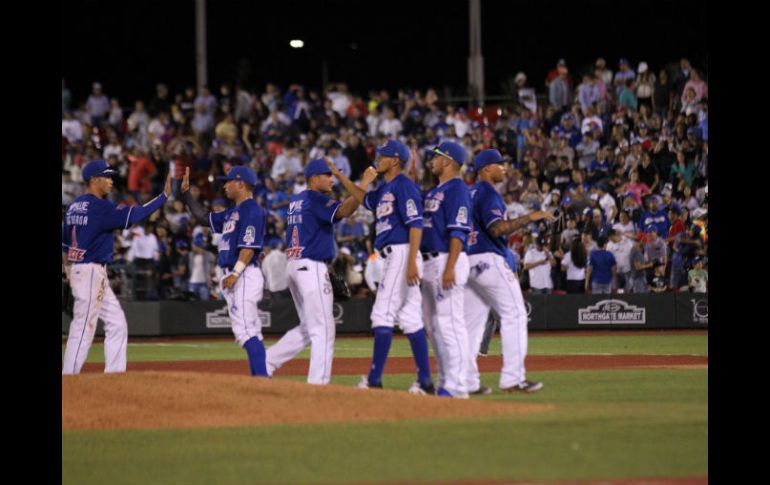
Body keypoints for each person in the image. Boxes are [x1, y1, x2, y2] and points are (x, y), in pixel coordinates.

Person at [265, 158, 376, 385]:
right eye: (327, 175)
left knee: (308, 328)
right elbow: (345, 210)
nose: (332, 179)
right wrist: (363, 184)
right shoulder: (315, 198)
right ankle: (318, 385)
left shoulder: (297, 200)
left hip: (295, 265)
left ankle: (265, 362)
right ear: (314, 179)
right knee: (324, 329)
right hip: (310, 265)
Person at [62, 160, 171, 374]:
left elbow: (64, 244)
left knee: (117, 322)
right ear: (94, 180)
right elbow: (135, 215)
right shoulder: (100, 207)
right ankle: (68, 378)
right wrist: (163, 196)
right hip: (90, 271)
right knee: (83, 327)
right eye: (106, 176)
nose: (111, 181)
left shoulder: (74, 206)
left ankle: (114, 376)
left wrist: (68, 274)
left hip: (83, 271)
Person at [464, 149, 554, 395]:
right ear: (486, 168)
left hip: (467, 260)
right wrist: (531, 217)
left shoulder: (469, 192)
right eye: (499, 164)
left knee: (472, 324)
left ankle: (467, 381)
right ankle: (513, 378)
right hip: (488, 259)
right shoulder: (488, 192)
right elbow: (497, 229)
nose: (503, 168)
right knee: (514, 313)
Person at [352, 139, 435, 395]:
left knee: (382, 314)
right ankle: (425, 382)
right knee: (410, 318)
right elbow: (362, 198)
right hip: (395, 255)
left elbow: (416, 224)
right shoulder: (385, 188)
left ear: (396, 160)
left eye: (383, 155)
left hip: (402, 253)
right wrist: (344, 177)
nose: (378, 159)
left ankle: (374, 379)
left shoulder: (404, 185)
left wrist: (411, 262)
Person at [181, 165, 269, 377]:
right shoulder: (232, 212)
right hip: (237, 274)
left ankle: (262, 380)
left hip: (243, 274)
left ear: (241, 183)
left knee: (245, 331)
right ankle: (261, 379)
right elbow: (203, 217)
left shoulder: (251, 209)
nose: (225, 185)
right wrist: (186, 195)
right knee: (250, 331)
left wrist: (235, 273)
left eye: (228, 181)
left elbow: (249, 247)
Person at [420, 141, 473, 398]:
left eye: (436, 156)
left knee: (450, 323)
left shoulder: (457, 189)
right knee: (433, 326)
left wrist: (450, 267)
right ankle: (445, 380)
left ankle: (458, 385)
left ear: (448, 160)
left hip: (446, 260)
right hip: (429, 262)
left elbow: (458, 232)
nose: (432, 160)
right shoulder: (435, 190)